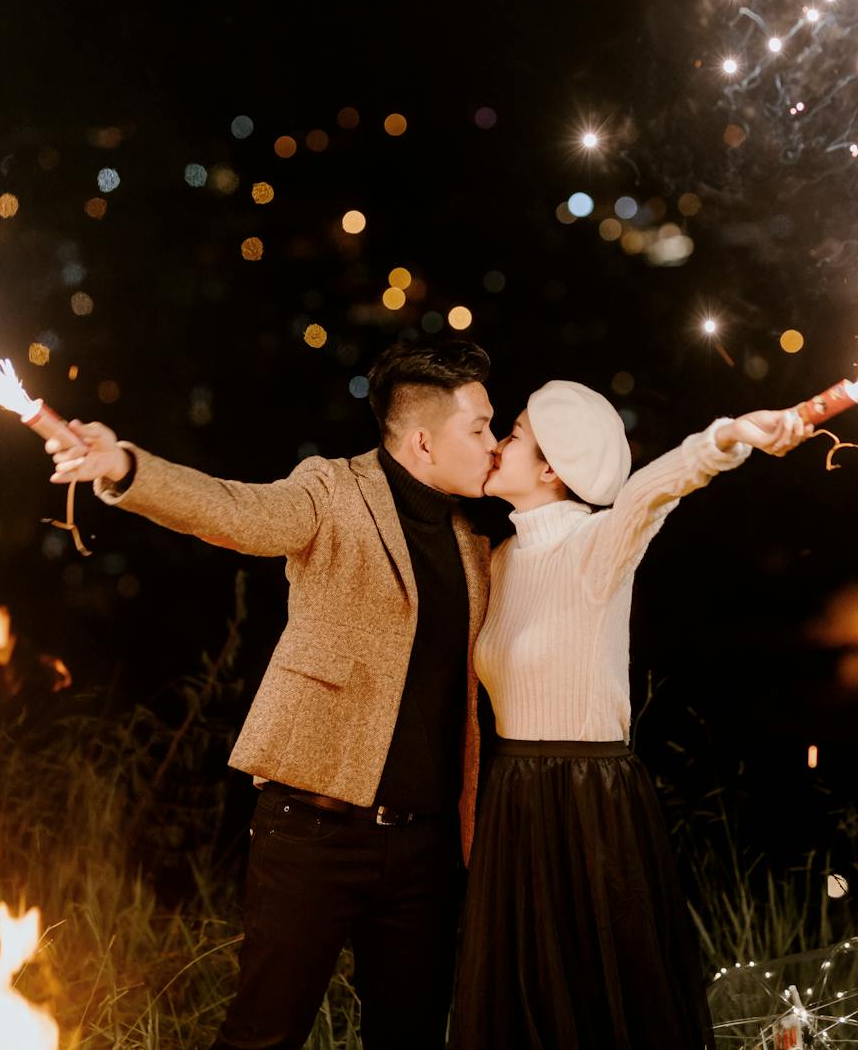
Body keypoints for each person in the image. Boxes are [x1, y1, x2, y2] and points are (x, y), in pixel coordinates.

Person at [47, 340, 498, 1050]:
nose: (493, 445)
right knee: (263, 1035)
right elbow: (234, 511)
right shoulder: (332, 490)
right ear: (422, 438)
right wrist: (124, 466)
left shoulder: (472, 540)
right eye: (479, 428)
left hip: (429, 847)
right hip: (315, 831)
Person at [450, 380, 809, 1050]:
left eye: (516, 432)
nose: (499, 443)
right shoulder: (497, 560)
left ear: (551, 465)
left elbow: (652, 492)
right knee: (517, 1004)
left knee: (595, 1003)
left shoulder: (594, 545)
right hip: (513, 798)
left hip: (585, 801)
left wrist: (728, 434)